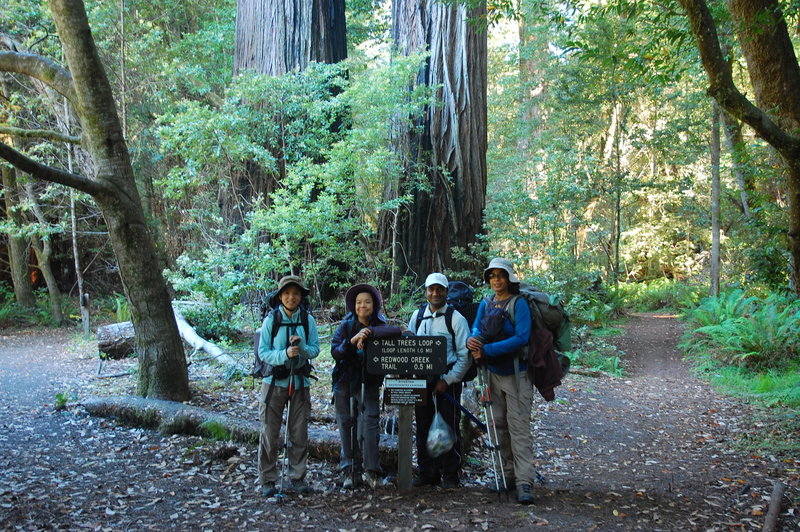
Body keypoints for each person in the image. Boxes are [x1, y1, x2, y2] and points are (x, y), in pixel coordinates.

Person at [465, 258, 536, 505]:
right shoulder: (486, 303)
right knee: (498, 427)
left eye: (501, 275)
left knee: (519, 429)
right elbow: (477, 329)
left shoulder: (519, 304)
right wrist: (472, 341)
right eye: (492, 276)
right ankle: (506, 476)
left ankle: (524, 481)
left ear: (509, 278)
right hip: (491, 375)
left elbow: (522, 338)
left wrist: (488, 350)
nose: (496, 280)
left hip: (518, 375)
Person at [331, 283, 401, 489]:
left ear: (374, 304)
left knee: (369, 425)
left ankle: (372, 471)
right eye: (359, 302)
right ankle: (350, 471)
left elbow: (395, 331)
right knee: (346, 424)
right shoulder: (345, 325)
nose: (363, 306)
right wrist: (352, 341)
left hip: (369, 383)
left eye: (367, 302)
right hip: (345, 382)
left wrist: (369, 332)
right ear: (353, 305)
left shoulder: (380, 324)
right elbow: (336, 352)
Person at [257, 275, 320, 497]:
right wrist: (284, 354)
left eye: (295, 294)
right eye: (287, 294)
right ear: (280, 296)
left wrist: (301, 350)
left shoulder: (307, 319)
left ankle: (297, 477)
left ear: (301, 296)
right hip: (274, 383)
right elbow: (263, 352)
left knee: (298, 432)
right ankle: (267, 479)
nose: (291, 297)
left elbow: (315, 349)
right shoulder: (271, 320)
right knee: (269, 432)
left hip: (300, 382)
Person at [407, 273, 471, 489]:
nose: (435, 293)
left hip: (448, 382)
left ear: (446, 291)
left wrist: (448, 380)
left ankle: (451, 475)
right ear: (425, 291)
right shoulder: (417, 316)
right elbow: (410, 348)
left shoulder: (456, 319)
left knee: (449, 425)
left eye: (440, 289)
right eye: (431, 289)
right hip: (422, 381)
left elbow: (465, 356)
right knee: (423, 426)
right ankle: (427, 472)